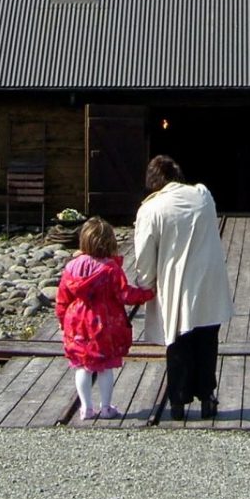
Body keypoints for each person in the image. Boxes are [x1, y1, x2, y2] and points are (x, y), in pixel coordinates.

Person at [129, 154, 233, 421]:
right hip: (209, 279)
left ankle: (177, 401)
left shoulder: (151, 209)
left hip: (176, 281)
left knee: (177, 341)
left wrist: (145, 283)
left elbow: (144, 253)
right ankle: (207, 397)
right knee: (207, 340)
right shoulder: (203, 196)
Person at [55, 217, 154, 420]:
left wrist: (62, 319)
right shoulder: (111, 269)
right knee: (104, 367)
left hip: (77, 323)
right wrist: (148, 294)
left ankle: (86, 408)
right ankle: (106, 407)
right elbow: (124, 294)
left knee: (82, 366)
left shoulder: (72, 267)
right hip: (104, 324)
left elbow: (62, 298)